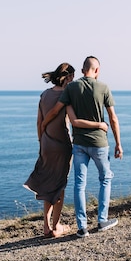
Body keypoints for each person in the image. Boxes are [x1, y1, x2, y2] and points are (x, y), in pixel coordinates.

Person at [24, 63, 107, 238]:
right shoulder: (67, 94)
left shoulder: (44, 95)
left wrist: (42, 141)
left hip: (46, 143)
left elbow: (39, 123)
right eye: (73, 76)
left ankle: (46, 227)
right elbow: (74, 120)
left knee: (48, 182)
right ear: (68, 77)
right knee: (60, 184)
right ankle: (56, 227)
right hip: (62, 145)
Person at [43, 55, 123, 238]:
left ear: (82, 70)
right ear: (97, 70)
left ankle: (82, 227)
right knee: (105, 179)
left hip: (79, 144)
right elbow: (113, 118)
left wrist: (42, 126)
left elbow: (56, 110)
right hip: (99, 143)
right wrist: (118, 143)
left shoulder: (71, 87)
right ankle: (102, 220)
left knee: (79, 184)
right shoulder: (103, 87)